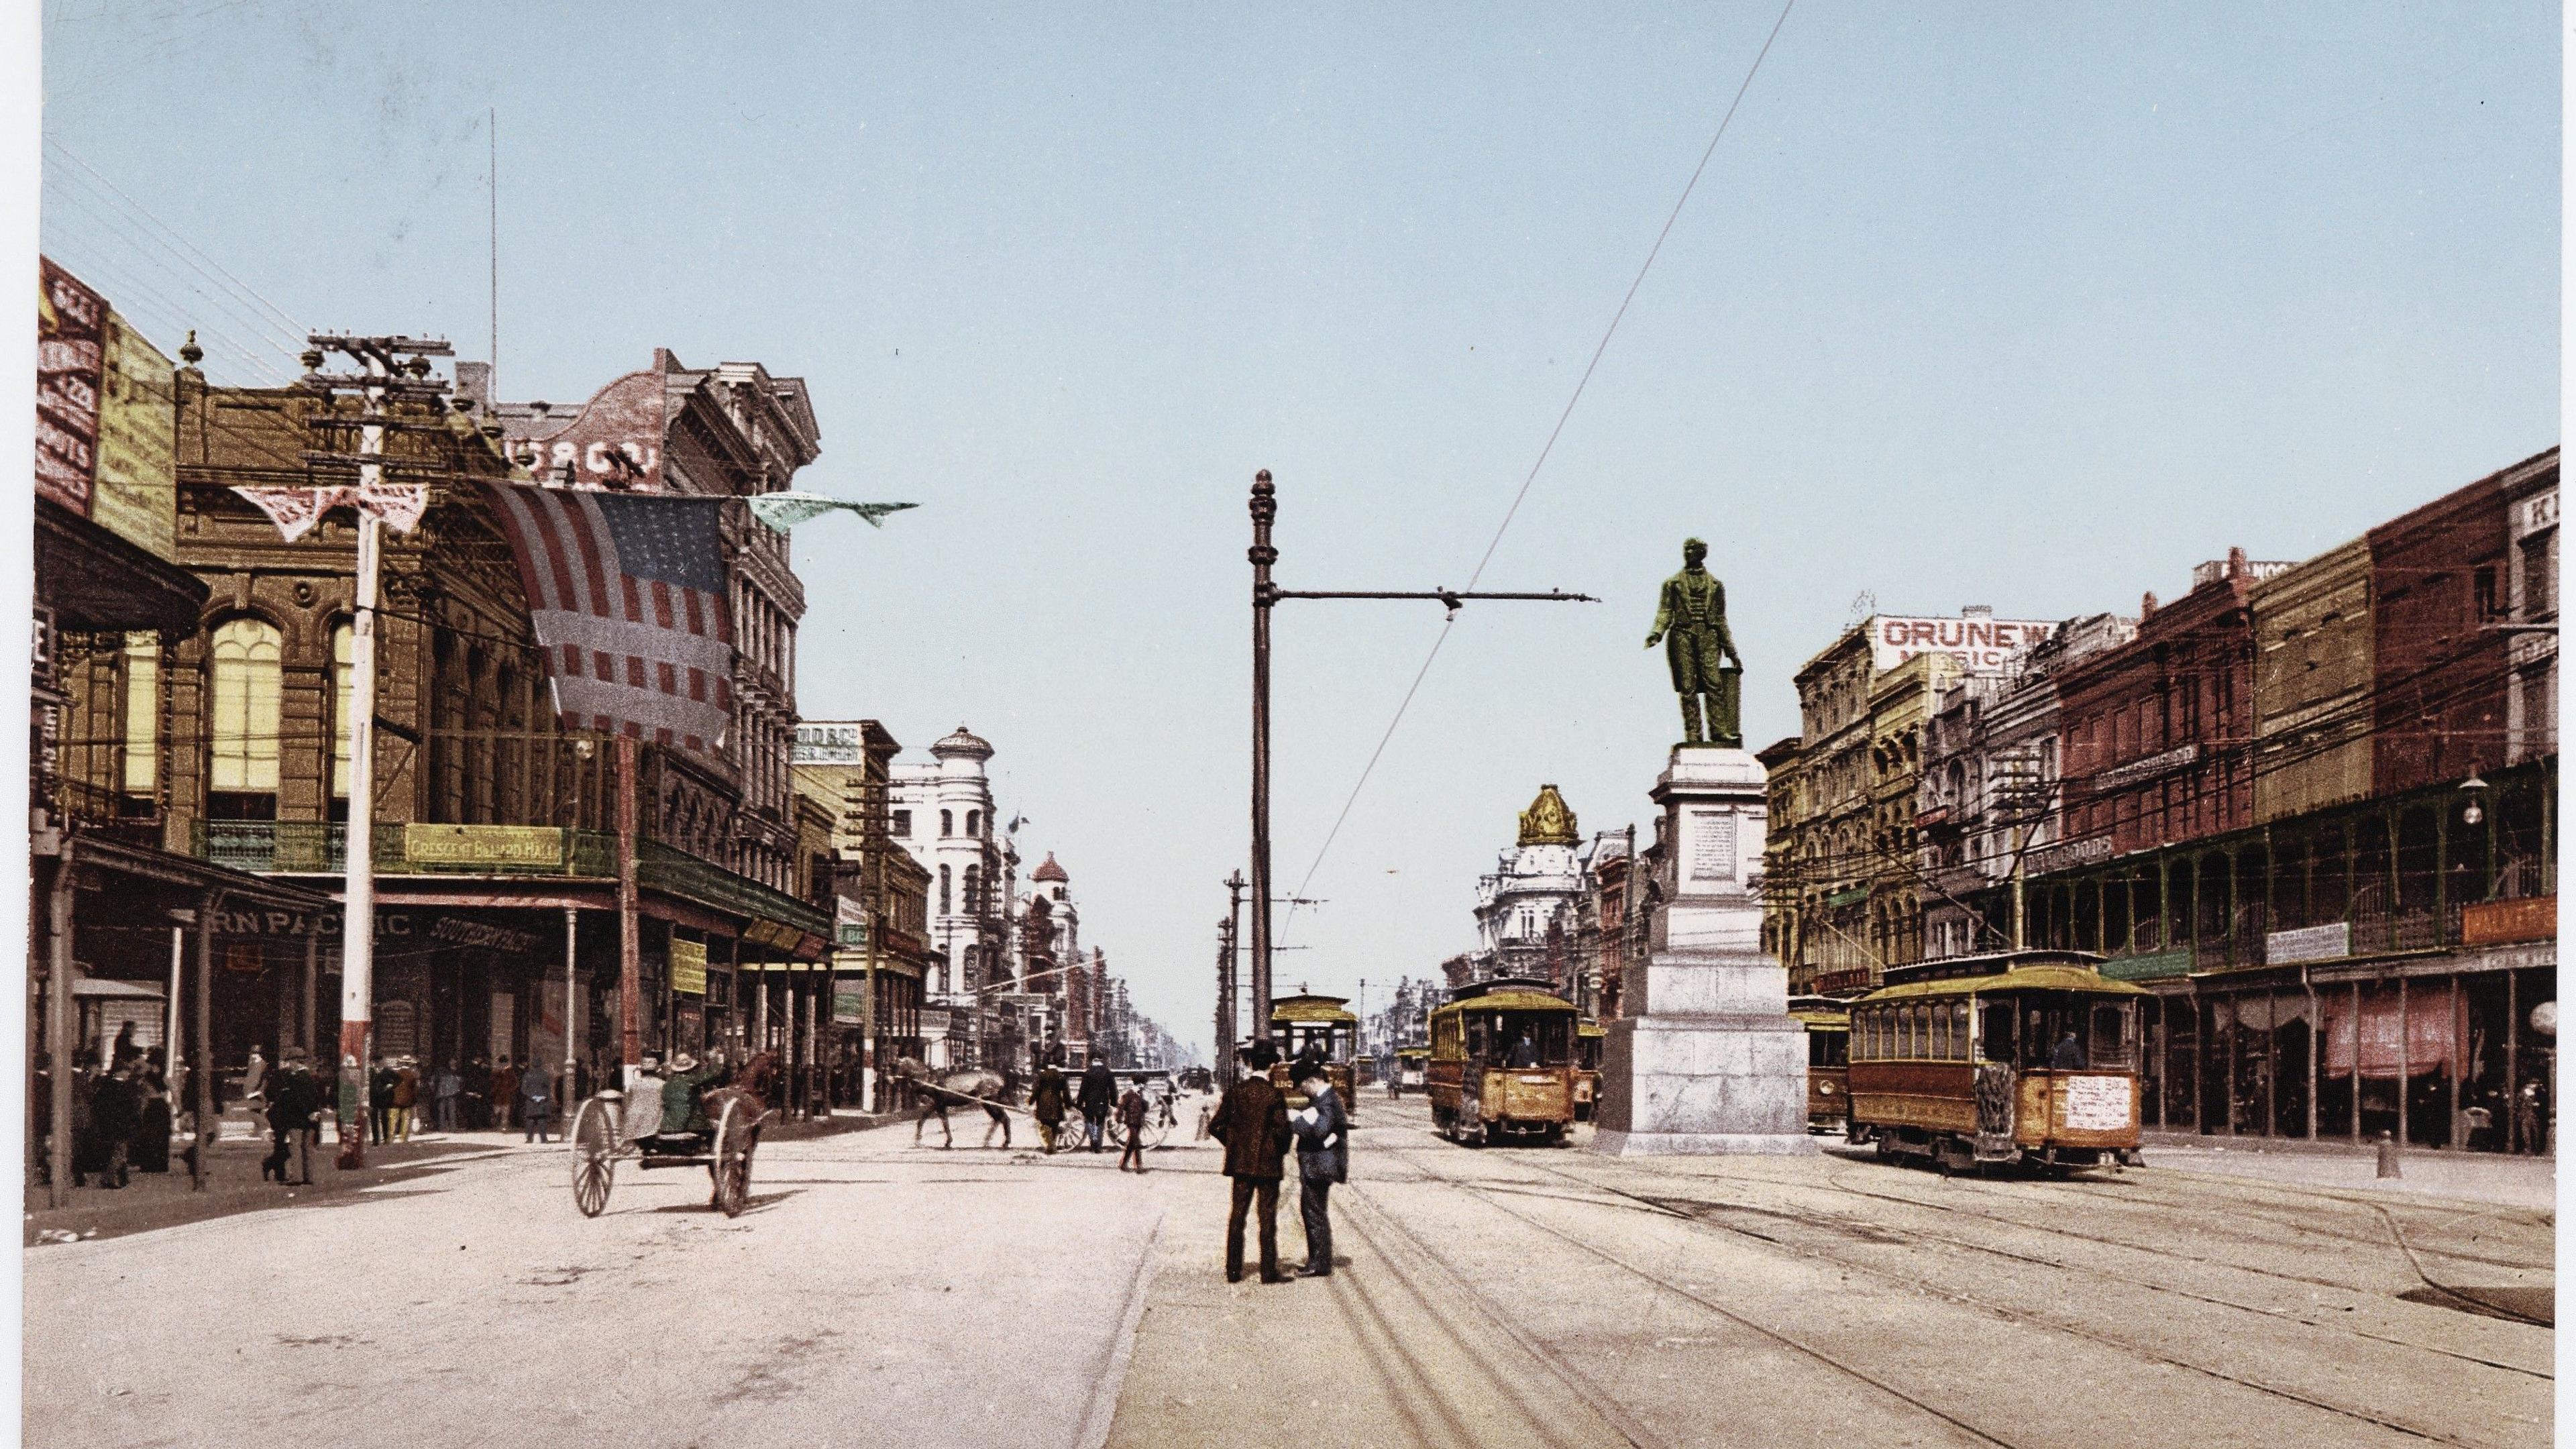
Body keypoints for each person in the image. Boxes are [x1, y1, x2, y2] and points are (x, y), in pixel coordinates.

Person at [1208, 1041, 1293, 1285]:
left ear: (1250, 1063)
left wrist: (1234, 1145)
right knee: (1267, 1218)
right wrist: (1279, 1151)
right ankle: (1268, 1272)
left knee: (1237, 1215)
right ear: (1273, 1066)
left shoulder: (1236, 1092)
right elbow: (1282, 1131)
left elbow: (1215, 1126)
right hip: (1268, 1165)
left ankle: (1233, 1271)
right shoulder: (1274, 1095)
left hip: (1241, 1164)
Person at [1289, 1065, 1348, 1278]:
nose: (1300, 1091)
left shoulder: (1328, 1101)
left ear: (1311, 1080)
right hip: (1318, 1165)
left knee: (1314, 1212)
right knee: (1313, 1211)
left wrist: (1296, 1121)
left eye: (1301, 1086)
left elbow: (1320, 1130)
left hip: (1320, 1166)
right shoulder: (1324, 1100)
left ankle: (1319, 1263)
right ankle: (1319, 1260)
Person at [264, 1051, 321, 1185]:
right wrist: (313, 1112)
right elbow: (316, 1097)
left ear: (295, 1061)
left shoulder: (295, 1078)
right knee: (307, 1148)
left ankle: (297, 1177)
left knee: (295, 1147)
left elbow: (296, 1099)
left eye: (290, 1062)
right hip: (311, 1119)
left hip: (296, 1118)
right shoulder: (312, 1077)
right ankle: (309, 1176)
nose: (289, 1065)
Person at [89, 1060, 140, 1189]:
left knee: (114, 1151)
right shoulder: (124, 1088)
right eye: (127, 1070)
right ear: (121, 1072)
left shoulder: (105, 1086)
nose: (129, 1073)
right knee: (120, 1152)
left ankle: (120, 1177)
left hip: (108, 1125)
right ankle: (109, 1178)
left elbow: (97, 1104)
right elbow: (131, 1108)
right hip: (121, 1125)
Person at [133, 1061, 173, 1173]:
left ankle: (148, 1164)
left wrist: (141, 1111)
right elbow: (175, 1093)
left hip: (151, 1107)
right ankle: (161, 1164)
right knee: (162, 1136)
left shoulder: (146, 1080)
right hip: (163, 1106)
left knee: (149, 1136)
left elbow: (143, 1098)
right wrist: (179, 1109)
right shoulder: (166, 1079)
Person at [1032, 1057, 1069, 1155]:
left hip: (1043, 1102)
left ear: (1047, 1066)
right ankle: (1052, 1146)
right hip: (1056, 1103)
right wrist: (1068, 1104)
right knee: (1055, 1125)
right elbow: (1066, 1093)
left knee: (1045, 1124)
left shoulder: (1042, 1076)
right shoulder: (1061, 1076)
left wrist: (1031, 1101)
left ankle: (1050, 1146)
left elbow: (1037, 1091)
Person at [1079, 1057, 1116, 1152]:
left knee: (1089, 1120)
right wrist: (1113, 1103)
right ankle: (1098, 1146)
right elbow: (1113, 1090)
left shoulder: (1087, 1073)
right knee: (1100, 1121)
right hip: (1102, 1100)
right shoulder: (1107, 1073)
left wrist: (1079, 1103)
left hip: (1090, 1100)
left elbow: (1082, 1090)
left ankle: (1093, 1141)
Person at [520, 1056, 557, 1144]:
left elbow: (523, 1089)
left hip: (531, 1100)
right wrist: (543, 1097)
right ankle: (543, 1139)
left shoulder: (527, 1075)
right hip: (542, 1101)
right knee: (542, 1120)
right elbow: (548, 1088)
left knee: (530, 1120)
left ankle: (529, 1139)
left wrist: (532, 1097)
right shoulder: (545, 1074)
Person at [1116, 1079, 1150, 1173]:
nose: (1143, 1086)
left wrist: (1144, 1102)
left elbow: (1145, 1109)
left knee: (1132, 1143)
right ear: (1139, 1084)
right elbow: (1121, 1107)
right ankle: (1138, 1166)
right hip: (1131, 1121)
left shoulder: (1139, 1095)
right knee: (1135, 1142)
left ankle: (1124, 1164)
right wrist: (1119, 1119)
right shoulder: (1129, 1095)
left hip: (1138, 1122)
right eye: (1142, 1084)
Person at [368, 1056, 398, 1145]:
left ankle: (386, 1138)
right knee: (374, 1120)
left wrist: (391, 1086)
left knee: (385, 1119)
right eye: (375, 1062)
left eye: (378, 1062)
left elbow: (399, 1079)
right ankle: (376, 1140)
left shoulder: (387, 1071)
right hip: (373, 1098)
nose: (376, 1064)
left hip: (385, 1098)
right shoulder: (370, 1072)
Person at [390, 1057, 420, 1142]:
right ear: (409, 1064)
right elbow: (416, 1088)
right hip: (408, 1098)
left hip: (396, 1098)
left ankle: (392, 1134)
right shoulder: (412, 1074)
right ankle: (405, 1134)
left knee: (395, 1116)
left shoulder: (396, 1073)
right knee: (406, 1116)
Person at [432, 1060, 463, 1132]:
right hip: (451, 1094)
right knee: (451, 1111)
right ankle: (453, 1128)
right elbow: (459, 1082)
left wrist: (435, 1091)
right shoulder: (454, 1074)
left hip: (441, 1094)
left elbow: (432, 1083)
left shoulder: (440, 1073)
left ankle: (442, 1128)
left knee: (442, 1112)